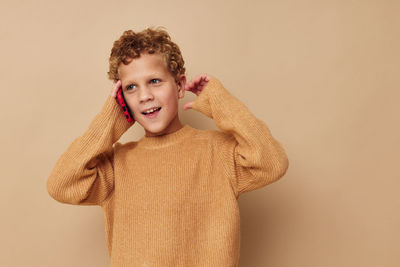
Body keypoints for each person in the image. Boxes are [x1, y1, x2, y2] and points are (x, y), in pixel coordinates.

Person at [46, 26, 289, 267]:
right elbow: (61, 184)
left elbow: (272, 162)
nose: (144, 96)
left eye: (154, 81)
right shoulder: (116, 165)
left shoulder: (218, 152)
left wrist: (222, 103)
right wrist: (109, 121)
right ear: (122, 100)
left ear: (180, 86)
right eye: (131, 87)